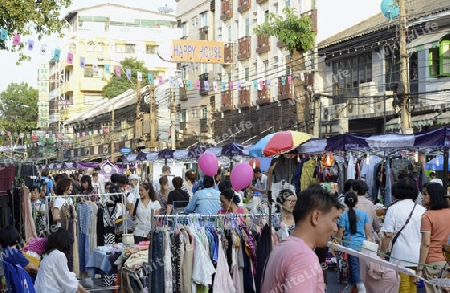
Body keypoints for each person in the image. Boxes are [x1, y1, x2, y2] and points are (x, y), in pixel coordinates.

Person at [261, 184, 343, 293]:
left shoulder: (282, 246)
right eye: (334, 219)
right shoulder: (303, 257)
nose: (335, 228)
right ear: (316, 217)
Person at [380, 178, 426, 293]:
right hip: (417, 255)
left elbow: (388, 235)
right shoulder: (422, 210)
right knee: (412, 287)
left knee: (402, 287)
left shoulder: (393, 209)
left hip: (400, 255)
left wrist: (381, 253)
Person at [415, 183, 450, 292]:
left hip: (433, 262)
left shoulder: (427, 216)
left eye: (425, 194)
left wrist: (420, 269)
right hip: (447, 260)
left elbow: (426, 244)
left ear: (433, 196)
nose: (422, 197)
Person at [34, 228, 89, 293]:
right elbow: (67, 281)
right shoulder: (59, 255)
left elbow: (65, 276)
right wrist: (82, 289)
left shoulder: (48, 255)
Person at [337, 191, 372, 293]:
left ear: (346, 203)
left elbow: (340, 233)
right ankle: (349, 287)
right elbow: (368, 232)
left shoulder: (343, 216)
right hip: (362, 245)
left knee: (354, 267)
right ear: (356, 202)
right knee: (356, 267)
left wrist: (338, 244)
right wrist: (369, 239)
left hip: (350, 245)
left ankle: (361, 289)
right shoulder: (364, 214)